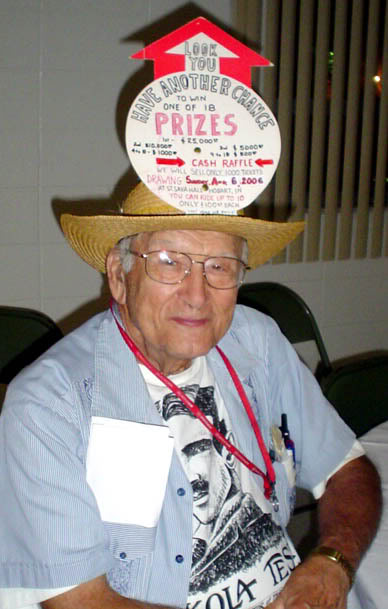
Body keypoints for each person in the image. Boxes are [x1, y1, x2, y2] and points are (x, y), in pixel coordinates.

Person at [0, 181, 381, 609]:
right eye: (168, 262)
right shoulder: (49, 404)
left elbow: (348, 469)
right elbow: (81, 603)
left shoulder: (256, 341)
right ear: (118, 276)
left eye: (219, 266)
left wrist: (332, 564)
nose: (197, 295)